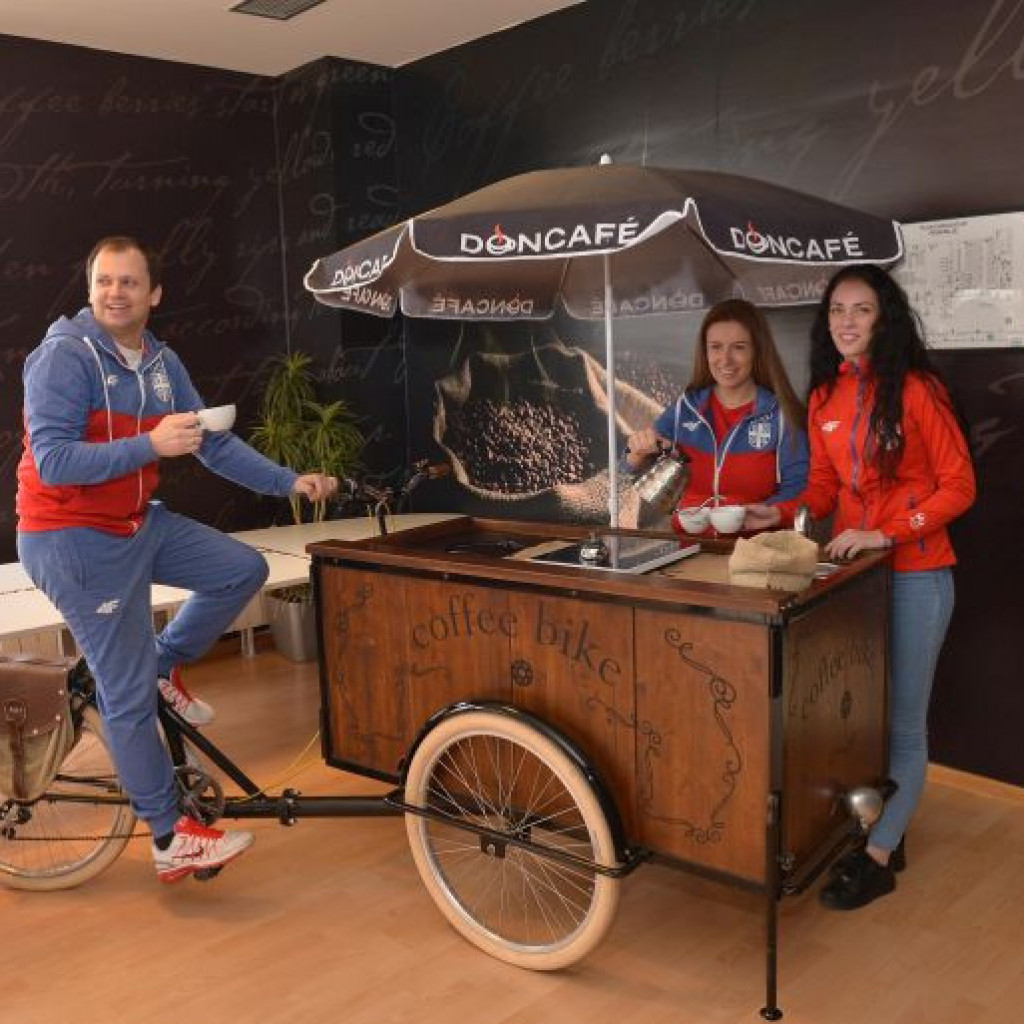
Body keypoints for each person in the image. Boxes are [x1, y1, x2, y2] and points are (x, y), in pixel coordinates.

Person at [16, 236, 337, 883]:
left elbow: (211, 443)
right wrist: (150, 443)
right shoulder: (65, 356)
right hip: (72, 537)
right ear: (90, 288)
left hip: (137, 523)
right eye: (105, 281)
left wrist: (289, 481)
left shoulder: (161, 363)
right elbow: (54, 460)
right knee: (127, 695)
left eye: (129, 282)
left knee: (241, 570)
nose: (115, 292)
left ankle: (164, 663)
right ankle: (169, 838)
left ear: (154, 294)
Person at [744, 264, 976, 910]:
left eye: (861, 309)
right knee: (859, 720)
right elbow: (823, 489)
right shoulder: (825, 397)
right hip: (854, 587)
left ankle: (878, 856)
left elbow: (960, 486)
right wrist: (780, 511)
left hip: (917, 578)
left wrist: (886, 532)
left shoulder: (919, 391)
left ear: (884, 319)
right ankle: (885, 826)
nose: (846, 321)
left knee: (901, 727)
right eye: (837, 310)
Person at [625, 298, 808, 532]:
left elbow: (799, 492)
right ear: (705, 351)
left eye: (739, 347)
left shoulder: (781, 416)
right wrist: (636, 454)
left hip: (756, 549)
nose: (725, 359)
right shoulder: (685, 409)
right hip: (690, 548)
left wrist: (773, 513)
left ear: (757, 351)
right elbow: (626, 467)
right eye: (716, 347)